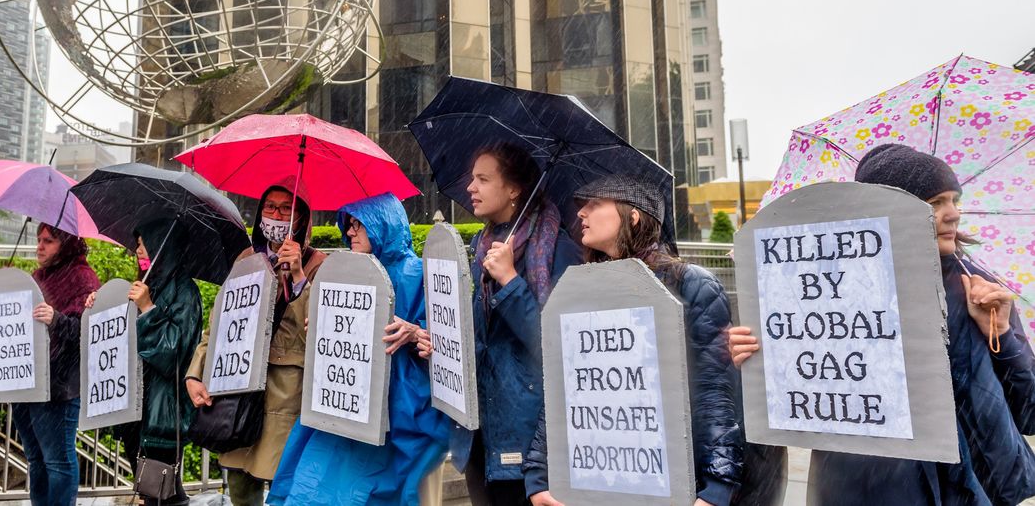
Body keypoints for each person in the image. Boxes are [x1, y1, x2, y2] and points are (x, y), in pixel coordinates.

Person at [728, 144, 1035, 505]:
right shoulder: (822, 293)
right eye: (936, 203)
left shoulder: (977, 289)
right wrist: (752, 359)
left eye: (955, 199)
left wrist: (1001, 337)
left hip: (969, 489)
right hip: (858, 487)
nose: (954, 214)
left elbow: (1028, 410)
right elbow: (788, 406)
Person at [522, 173, 743, 506]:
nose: (581, 214)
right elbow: (566, 387)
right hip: (599, 480)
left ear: (633, 214)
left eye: (595, 204)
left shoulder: (691, 285)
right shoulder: (579, 294)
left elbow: (713, 393)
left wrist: (715, 490)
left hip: (675, 482)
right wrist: (538, 476)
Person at [415, 143, 580, 505]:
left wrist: (510, 281)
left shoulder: (560, 250)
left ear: (513, 189)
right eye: (472, 178)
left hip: (528, 440)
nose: (471, 187)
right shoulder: (481, 245)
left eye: (483, 179)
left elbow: (557, 347)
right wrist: (439, 345)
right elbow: (478, 335)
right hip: (477, 433)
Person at [267, 192, 450, 505]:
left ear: (382, 225)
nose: (350, 231)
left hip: (403, 411)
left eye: (358, 224)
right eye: (348, 224)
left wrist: (414, 332)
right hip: (350, 405)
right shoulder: (349, 273)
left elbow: (446, 343)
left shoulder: (417, 273)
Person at [184, 184, 327, 506]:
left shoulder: (320, 264)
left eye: (286, 209)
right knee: (239, 477)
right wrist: (195, 373)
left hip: (287, 389)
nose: (275, 215)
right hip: (238, 384)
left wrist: (300, 276)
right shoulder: (247, 260)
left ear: (302, 218)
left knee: (282, 477)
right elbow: (220, 322)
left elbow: (319, 332)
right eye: (269, 207)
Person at [108, 218, 203, 506]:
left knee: (159, 490)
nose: (137, 249)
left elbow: (173, 354)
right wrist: (100, 305)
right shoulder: (148, 285)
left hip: (162, 412)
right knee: (155, 489)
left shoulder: (185, 293)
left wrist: (148, 310)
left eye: (143, 242)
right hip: (136, 409)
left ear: (164, 246)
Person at [11, 223, 100, 506]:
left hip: (59, 385)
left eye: (48, 241)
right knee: (36, 457)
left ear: (67, 245)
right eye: (38, 240)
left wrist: (56, 319)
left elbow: (88, 332)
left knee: (58, 459)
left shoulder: (83, 279)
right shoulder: (37, 277)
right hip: (29, 380)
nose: (40, 246)